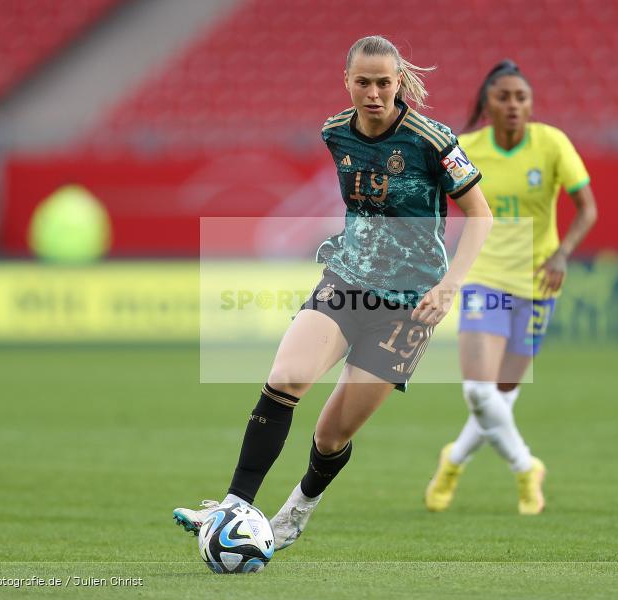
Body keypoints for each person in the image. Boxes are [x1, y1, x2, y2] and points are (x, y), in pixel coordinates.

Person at [174, 35, 492, 550]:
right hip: (346, 280)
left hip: (408, 307)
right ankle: (232, 506)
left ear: (399, 83)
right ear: (346, 82)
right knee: (286, 377)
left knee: (330, 436)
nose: (373, 92)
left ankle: (297, 510)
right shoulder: (334, 132)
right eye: (362, 82)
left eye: (383, 82)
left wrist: (451, 283)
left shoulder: (432, 140)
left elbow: (481, 213)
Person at [424, 60, 598, 515]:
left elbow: (587, 209)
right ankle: (525, 467)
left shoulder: (552, 143)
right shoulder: (466, 149)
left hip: (539, 281)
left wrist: (563, 252)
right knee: (479, 392)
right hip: (484, 278)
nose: (514, 105)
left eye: (521, 97)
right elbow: (435, 204)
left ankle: (454, 458)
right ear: (487, 104)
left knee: (500, 395)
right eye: (504, 97)